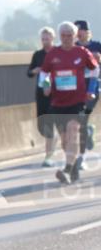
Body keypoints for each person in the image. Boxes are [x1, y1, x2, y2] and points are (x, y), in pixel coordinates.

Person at [41, 21, 99, 184]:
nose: (66, 38)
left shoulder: (82, 52)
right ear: (59, 36)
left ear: (75, 36)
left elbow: (95, 69)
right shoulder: (53, 54)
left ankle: (66, 170)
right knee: (65, 140)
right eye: (63, 35)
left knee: (73, 130)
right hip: (58, 102)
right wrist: (46, 86)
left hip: (77, 101)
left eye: (69, 35)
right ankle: (73, 169)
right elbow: (44, 73)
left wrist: (91, 89)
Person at [27, 27, 58, 166]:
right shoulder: (38, 54)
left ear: (53, 38)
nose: (45, 41)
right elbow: (29, 72)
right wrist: (35, 70)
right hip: (41, 93)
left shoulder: (58, 53)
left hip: (56, 93)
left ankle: (48, 157)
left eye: (47, 38)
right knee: (42, 125)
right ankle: (53, 139)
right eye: (43, 39)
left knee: (50, 124)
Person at [74, 19, 101, 168]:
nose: (78, 33)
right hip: (75, 89)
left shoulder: (97, 46)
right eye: (76, 31)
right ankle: (88, 131)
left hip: (92, 88)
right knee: (79, 122)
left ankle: (82, 158)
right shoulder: (72, 47)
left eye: (81, 30)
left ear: (87, 32)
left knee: (82, 120)